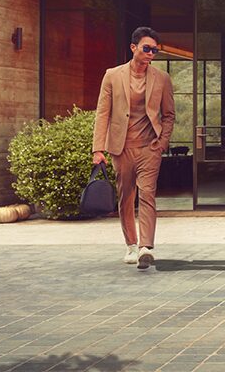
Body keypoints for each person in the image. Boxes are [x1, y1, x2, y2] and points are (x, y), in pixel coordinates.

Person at [91, 27, 176, 270]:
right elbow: (102, 113)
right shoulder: (112, 76)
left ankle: (145, 247)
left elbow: (169, 115)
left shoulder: (162, 78)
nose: (151, 53)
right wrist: (98, 149)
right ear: (133, 48)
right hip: (121, 147)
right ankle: (131, 244)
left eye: (154, 50)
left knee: (147, 193)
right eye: (146, 48)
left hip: (150, 147)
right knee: (126, 196)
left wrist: (162, 142)